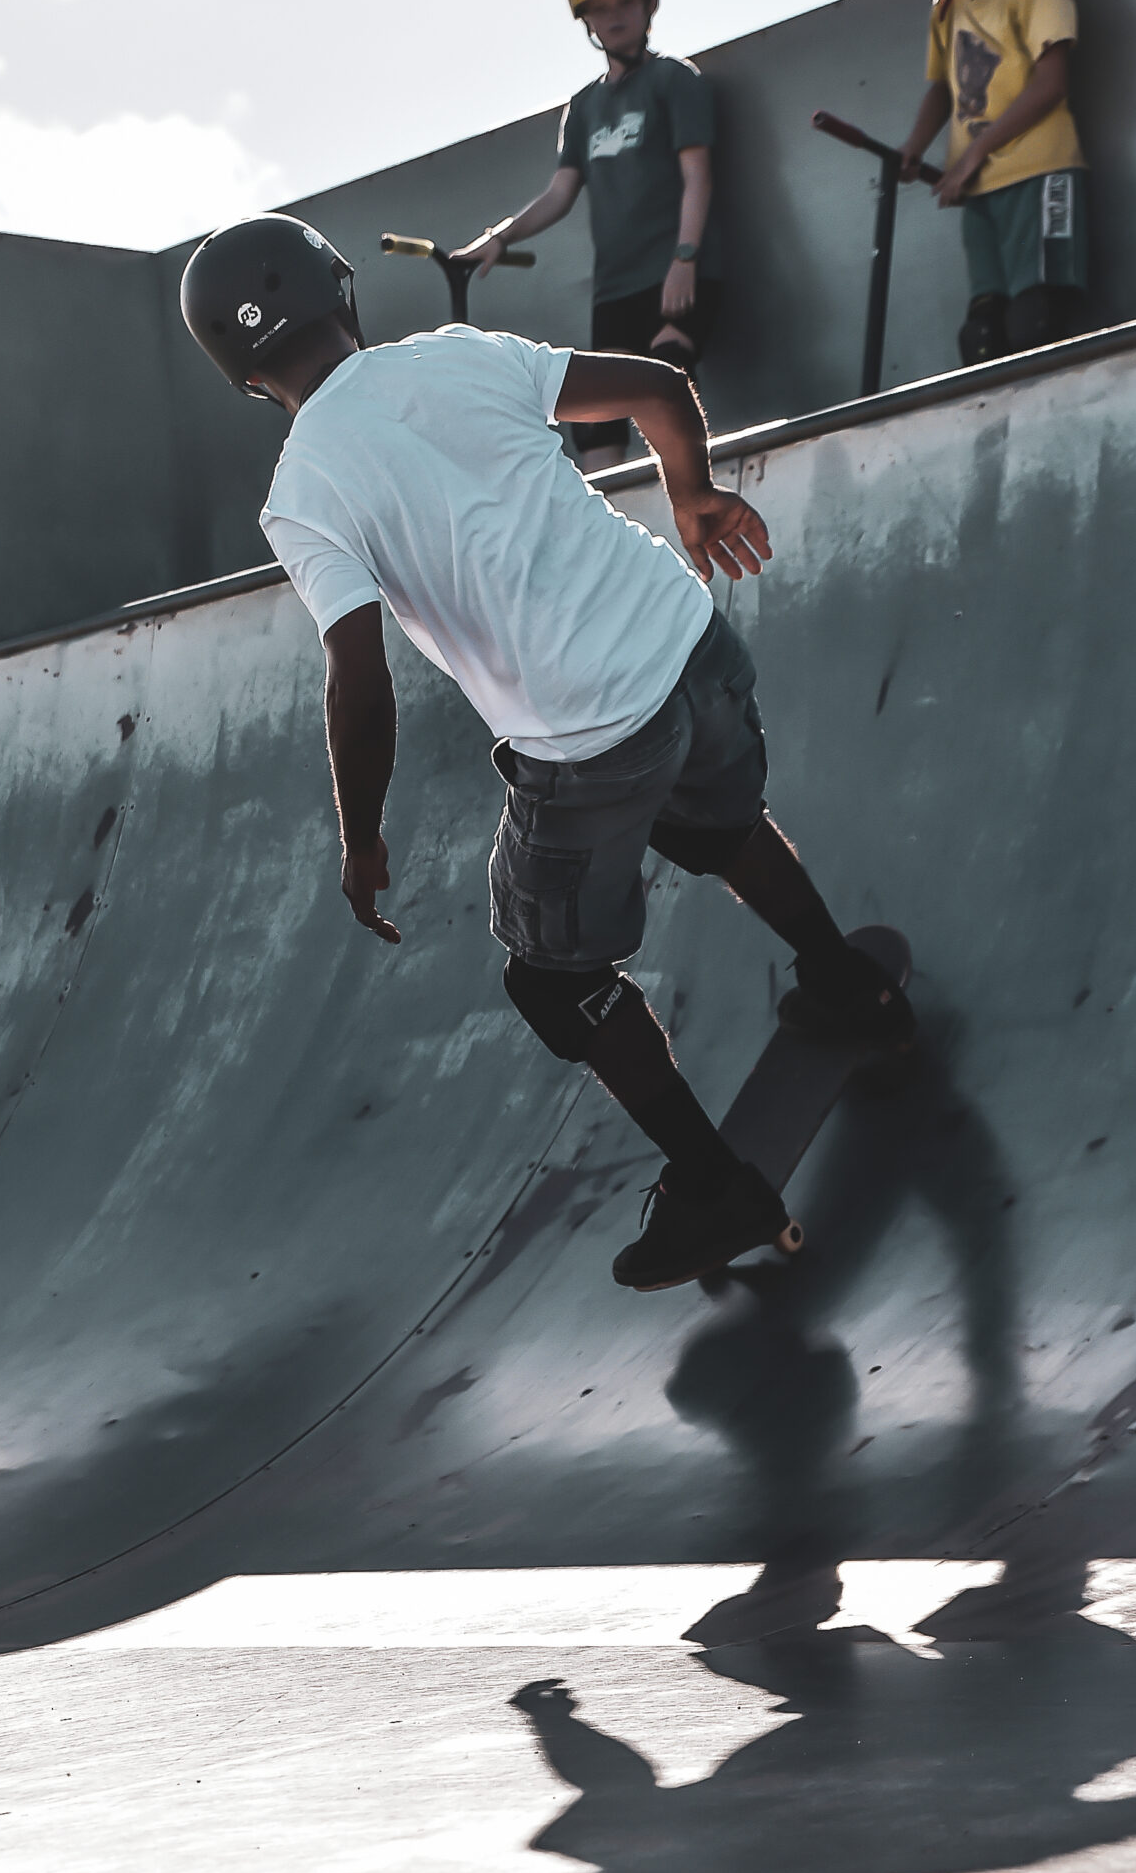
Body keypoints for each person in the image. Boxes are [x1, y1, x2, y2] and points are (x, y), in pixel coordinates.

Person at [179, 215, 915, 1293]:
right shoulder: (460, 354)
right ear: (344, 292)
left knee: (552, 979)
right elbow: (659, 389)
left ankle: (715, 1185)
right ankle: (847, 984)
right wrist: (692, 494)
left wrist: (361, 836)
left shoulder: (302, 497)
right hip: (687, 641)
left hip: (585, 738)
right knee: (718, 824)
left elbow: (359, 680)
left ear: (244, 378)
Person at [451, 0, 720, 477]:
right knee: (600, 417)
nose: (614, 16)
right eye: (600, 7)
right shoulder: (583, 108)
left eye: (625, 2)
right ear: (586, 22)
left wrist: (685, 258)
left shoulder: (673, 80)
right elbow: (559, 194)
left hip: (672, 272)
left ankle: (693, 501)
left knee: (669, 375)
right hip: (615, 289)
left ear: (648, 6)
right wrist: (498, 239)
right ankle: (615, 512)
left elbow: (698, 176)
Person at [899, 0, 1088, 364]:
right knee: (983, 335)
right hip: (978, 187)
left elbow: (1051, 83)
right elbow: (943, 87)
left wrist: (973, 154)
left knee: (1037, 320)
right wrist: (914, 146)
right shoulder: (948, 0)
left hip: (1040, 174)